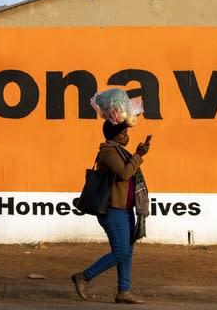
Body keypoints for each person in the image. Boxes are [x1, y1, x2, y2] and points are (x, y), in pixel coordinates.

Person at [72, 120, 150, 304]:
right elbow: (124, 173)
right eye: (123, 133)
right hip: (113, 210)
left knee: (127, 252)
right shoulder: (108, 151)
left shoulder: (120, 150)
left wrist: (138, 154)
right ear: (113, 135)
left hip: (125, 209)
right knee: (121, 252)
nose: (126, 136)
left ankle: (124, 291)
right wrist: (138, 155)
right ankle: (84, 277)